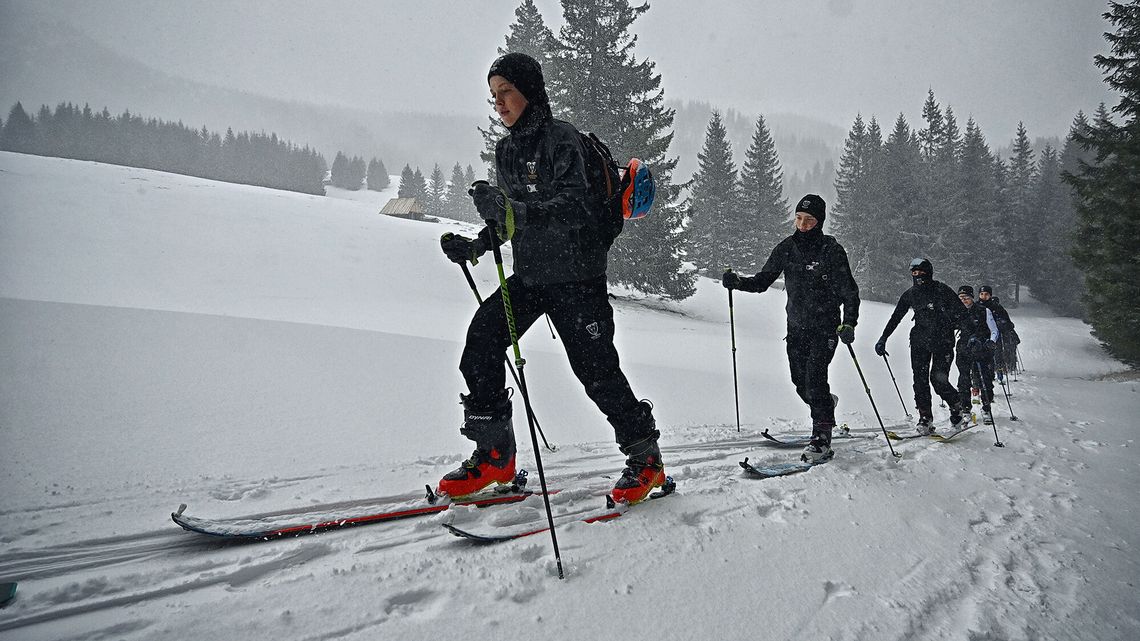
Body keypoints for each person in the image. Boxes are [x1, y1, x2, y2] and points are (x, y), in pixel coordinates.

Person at [437, 52, 663, 504]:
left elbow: (574, 209)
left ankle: (646, 459)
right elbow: (512, 222)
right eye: (493, 95)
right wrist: (478, 244)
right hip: (532, 277)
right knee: (481, 341)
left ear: (530, 92)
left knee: (596, 372)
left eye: (506, 93)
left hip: (578, 278)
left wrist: (513, 211)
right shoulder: (507, 150)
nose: (498, 103)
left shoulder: (562, 140)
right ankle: (495, 455)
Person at [722, 195, 860, 463]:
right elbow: (763, 281)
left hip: (825, 327)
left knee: (815, 377)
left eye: (809, 220)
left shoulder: (831, 250)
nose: (802, 225)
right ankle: (826, 407)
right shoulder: (787, 247)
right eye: (798, 218)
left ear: (819, 221)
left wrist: (849, 322)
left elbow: (849, 292)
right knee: (801, 384)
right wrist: (738, 282)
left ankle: (821, 438)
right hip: (796, 327)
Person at [874, 259, 968, 434]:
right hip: (919, 341)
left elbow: (963, 314)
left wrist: (966, 333)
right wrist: (883, 338)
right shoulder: (911, 294)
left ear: (929, 272)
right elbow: (896, 317)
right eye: (914, 273)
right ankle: (925, 417)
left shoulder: (942, 290)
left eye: (920, 272)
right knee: (920, 380)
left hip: (943, 341)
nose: (917, 276)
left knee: (938, 380)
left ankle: (956, 405)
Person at [955, 285, 999, 425]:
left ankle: (986, 408)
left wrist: (991, 342)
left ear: (972, 298)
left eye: (967, 298)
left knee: (985, 379)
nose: (964, 301)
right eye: (961, 298)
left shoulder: (983, 311)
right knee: (963, 380)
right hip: (963, 348)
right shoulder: (957, 312)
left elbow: (994, 330)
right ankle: (966, 409)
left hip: (981, 348)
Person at [977, 285, 1019, 376]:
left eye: (986, 294)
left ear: (990, 295)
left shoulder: (997, 307)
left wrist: (1002, 324)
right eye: (982, 294)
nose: (984, 296)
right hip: (980, 334)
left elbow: (1008, 321)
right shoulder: (976, 306)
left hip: (995, 334)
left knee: (997, 353)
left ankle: (999, 370)